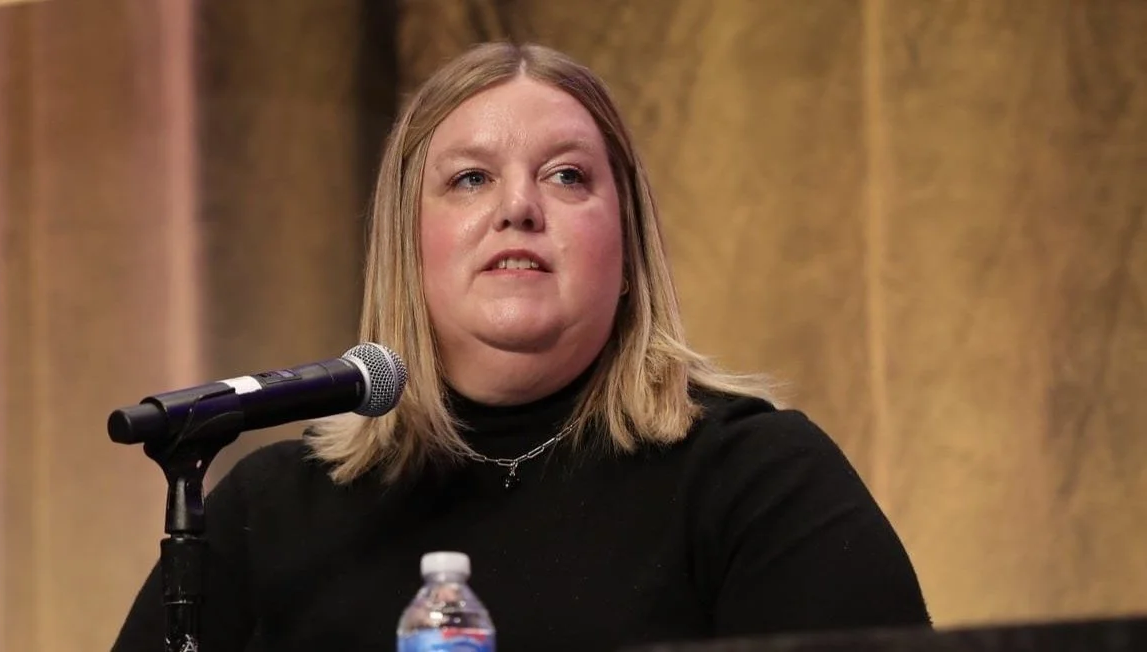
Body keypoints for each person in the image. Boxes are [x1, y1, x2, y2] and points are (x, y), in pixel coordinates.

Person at [112, 40, 930, 651]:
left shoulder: (757, 480)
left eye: (568, 176)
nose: (519, 209)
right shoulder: (269, 508)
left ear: (628, 253)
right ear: (409, 247)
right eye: (470, 178)